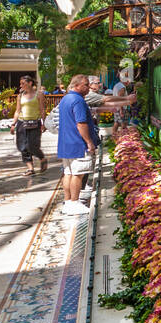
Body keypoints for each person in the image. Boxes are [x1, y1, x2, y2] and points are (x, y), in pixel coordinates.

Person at [56, 74, 97, 216]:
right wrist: (89, 142)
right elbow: (81, 123)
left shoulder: (66, 98)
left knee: (68, 173)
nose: (89, 87)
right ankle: (74, 202)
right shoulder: (78, 100)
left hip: (66, 143)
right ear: (77, 85)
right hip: (78, 143)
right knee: (78, 174)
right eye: (86, 85)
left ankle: (68, 202)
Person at [13, 74, 49, 176]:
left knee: (33, 145)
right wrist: (13, 123)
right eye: (20, 84)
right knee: (22, 146)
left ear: (30, 83)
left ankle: (42, 158)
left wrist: (44, 123)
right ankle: (30, 168)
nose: (21, 85)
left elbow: (42, 109)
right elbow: (17, 110)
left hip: (34, 122)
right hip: (22, 122)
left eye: (23, 83)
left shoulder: (39, 94)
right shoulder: (20, 96)